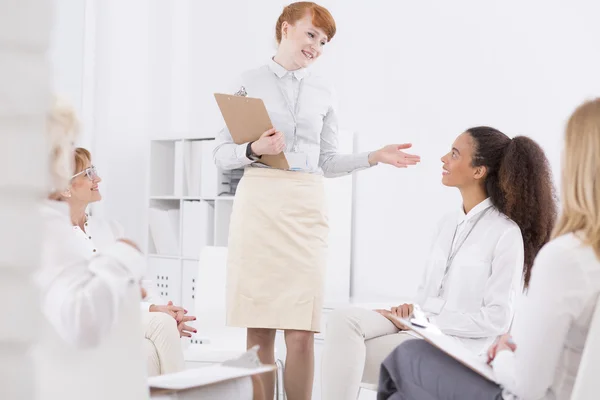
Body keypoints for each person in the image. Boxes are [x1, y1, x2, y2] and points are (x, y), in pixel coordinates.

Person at [213, 2, 421, 398]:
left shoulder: (325, 90)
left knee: (303, 331)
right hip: (259, 201)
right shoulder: (248, 80)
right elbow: (221, 154)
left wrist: (374, 156)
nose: (316, 47)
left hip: (305, 204)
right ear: (286, 29)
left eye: (324, 42)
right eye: (311, 35)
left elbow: (327, 161)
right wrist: (254, 148)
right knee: (258, 330)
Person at [378, 98, 600, 400]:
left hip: (519, 389)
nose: (444, 159)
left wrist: (504, 351)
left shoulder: (566, 257)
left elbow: (527, 384)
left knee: (406, 358)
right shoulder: (448, 224)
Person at [321, 126, 557, 399]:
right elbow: (426, 295)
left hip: (458, 349)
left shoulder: (506, 234)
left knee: (346, 352)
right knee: (342, 320)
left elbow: (498, 319)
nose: (444, 159)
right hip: (421, 329)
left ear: (478, 171)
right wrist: (408, 314)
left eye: (455, 154)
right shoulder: (447, 224)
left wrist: (425, 320)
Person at [35, 96, 149, 399]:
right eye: (69, 145)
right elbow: (82, 322)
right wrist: (124, 256)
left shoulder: (36, 220)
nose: (75, 153)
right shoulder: (44, 225)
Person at [63, 147, 195, 376]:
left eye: (94, 170)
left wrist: (165, 310)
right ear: (65, 188)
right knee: (162, 325)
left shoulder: (112, 229)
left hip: (127, 320)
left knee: (147, 351)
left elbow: (143, 283)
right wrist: (156, 312)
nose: (98, 178)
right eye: (87, 173)